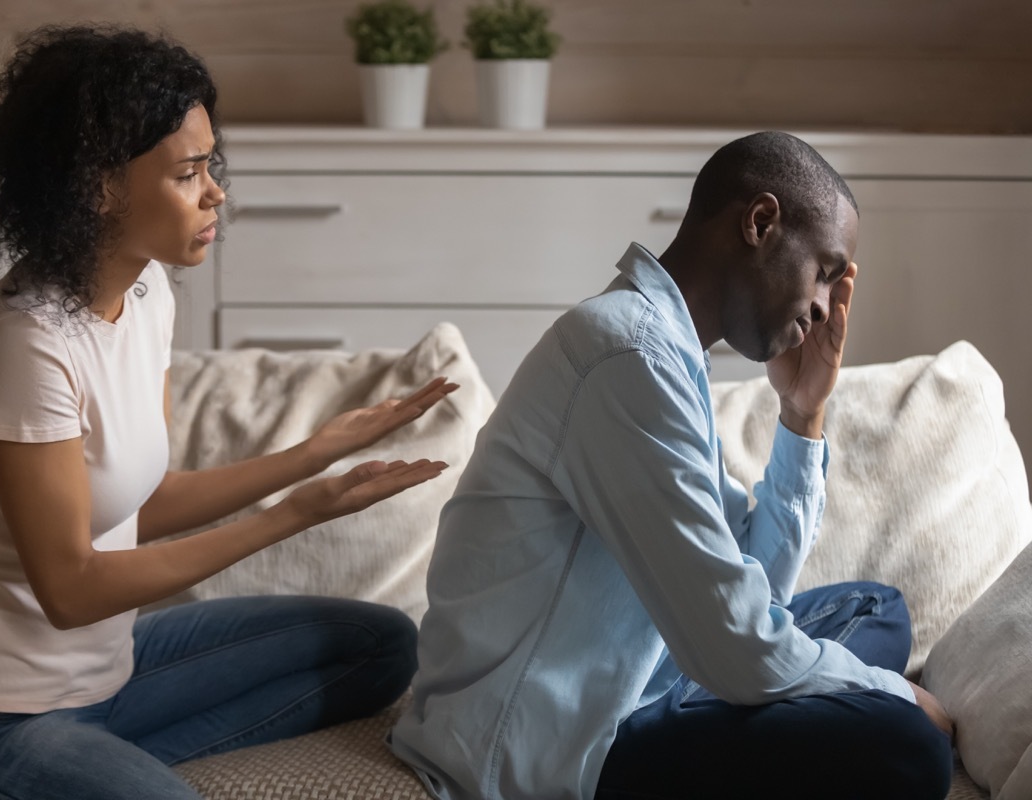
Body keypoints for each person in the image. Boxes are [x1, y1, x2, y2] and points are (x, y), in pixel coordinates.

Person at [0, 25, 456, 800]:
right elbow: (70, 588)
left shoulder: (146, 293)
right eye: (188, 172)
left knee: (380, 645)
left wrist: (314, 452)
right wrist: (294, 511)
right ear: (100, 186)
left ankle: (107, 769)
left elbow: (149, 500)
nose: (215, 192)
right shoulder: (24, 347)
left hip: (115, 681)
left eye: (210, 165)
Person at [390, 131, 956, 799]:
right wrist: (898, 696)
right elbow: (737, 646)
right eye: (824, 270)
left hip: (659, 677)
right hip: (554, 746)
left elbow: (756, 593)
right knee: (910, 744)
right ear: (761, 223)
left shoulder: (665, 351)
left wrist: (802, 415)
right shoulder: (628, 355)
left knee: (874, 608)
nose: (824, 308)